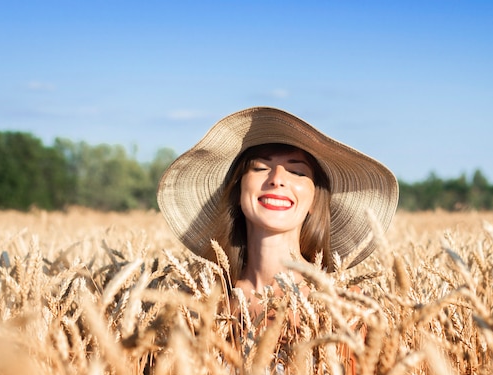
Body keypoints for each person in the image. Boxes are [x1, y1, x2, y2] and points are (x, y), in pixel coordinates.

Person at [157, 106, 399, 320]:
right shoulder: (198, 305)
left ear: (315, 200)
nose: (277, 179)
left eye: (297, 172)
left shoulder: (345, 306)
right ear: (238, 191)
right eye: (261, 168)